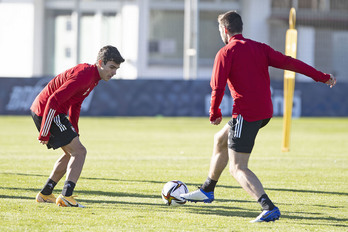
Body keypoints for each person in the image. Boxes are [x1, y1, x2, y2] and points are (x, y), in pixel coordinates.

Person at [180, 11, 336, 222]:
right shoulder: (259, 48)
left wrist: (214, 112)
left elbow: (216, 86)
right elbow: (291, 63)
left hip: (247, 113)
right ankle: (207, 190)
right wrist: (322, 77)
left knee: (238, 168)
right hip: (264, 111)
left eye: (220, 30)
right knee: (220, 140)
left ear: (225, 30)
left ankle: (267, 206)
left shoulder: (225, 52)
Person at [31, 45, 125, 207]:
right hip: (48, 112)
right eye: (111, 67)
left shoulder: (93, 77)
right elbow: (53, 100)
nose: (114, 72)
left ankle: (45, 194)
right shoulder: (85, 76)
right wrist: (44, 133)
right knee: (80, 152)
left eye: (116, 68)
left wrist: (75, 130)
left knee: (71, 154)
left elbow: (76, 104)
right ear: (100, 63)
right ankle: (66, 196)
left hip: (50, 112)